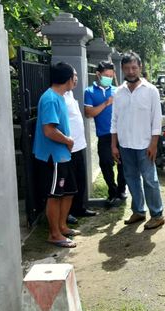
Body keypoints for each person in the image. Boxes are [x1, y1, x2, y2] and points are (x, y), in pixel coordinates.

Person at [111, 52, 165, 230]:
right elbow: (115, 120)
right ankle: (138, 211)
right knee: (131, 179)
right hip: (125, 145)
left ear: (140, 68)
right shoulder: (119, 92)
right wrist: (114, 144)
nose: (131, 71)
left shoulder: (151, 91)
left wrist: (154, 144)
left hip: (145, 145)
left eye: (134, 67)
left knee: (150, 180)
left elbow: (156, 119)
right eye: (127, 68)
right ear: (122, 69)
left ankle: (157, 214)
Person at [33, 62, 81, 248]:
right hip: (53, 156)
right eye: (74, 76)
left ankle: (62, 226)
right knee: (54, 195)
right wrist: (68, 141)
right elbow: (49, 130)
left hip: (63, 156)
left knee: (67, 192)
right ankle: (54, 234)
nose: (75, 79)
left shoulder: (61, 97)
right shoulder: (50, 98)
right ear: (68, 79)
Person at [84, 61, 126, 207]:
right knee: (106, 163)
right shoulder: (89, 92)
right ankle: (112, 190)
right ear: (98, 74)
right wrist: (106, 103)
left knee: (123, 164)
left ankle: (121, 190)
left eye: (111, 75)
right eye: (105, 75)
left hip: (121, 134)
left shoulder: (119, 90)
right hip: (104, 135)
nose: (108, 77)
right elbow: (89, 113)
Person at [63, 70, 96, 224]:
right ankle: (67, 213)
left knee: (80, 180)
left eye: (76, 76)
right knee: (69, 184)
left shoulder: (69, 94)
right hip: (68, 148)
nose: (76, 79)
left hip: (79, 145)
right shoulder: (59, 97)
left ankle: (79, 208)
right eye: (74, 76)